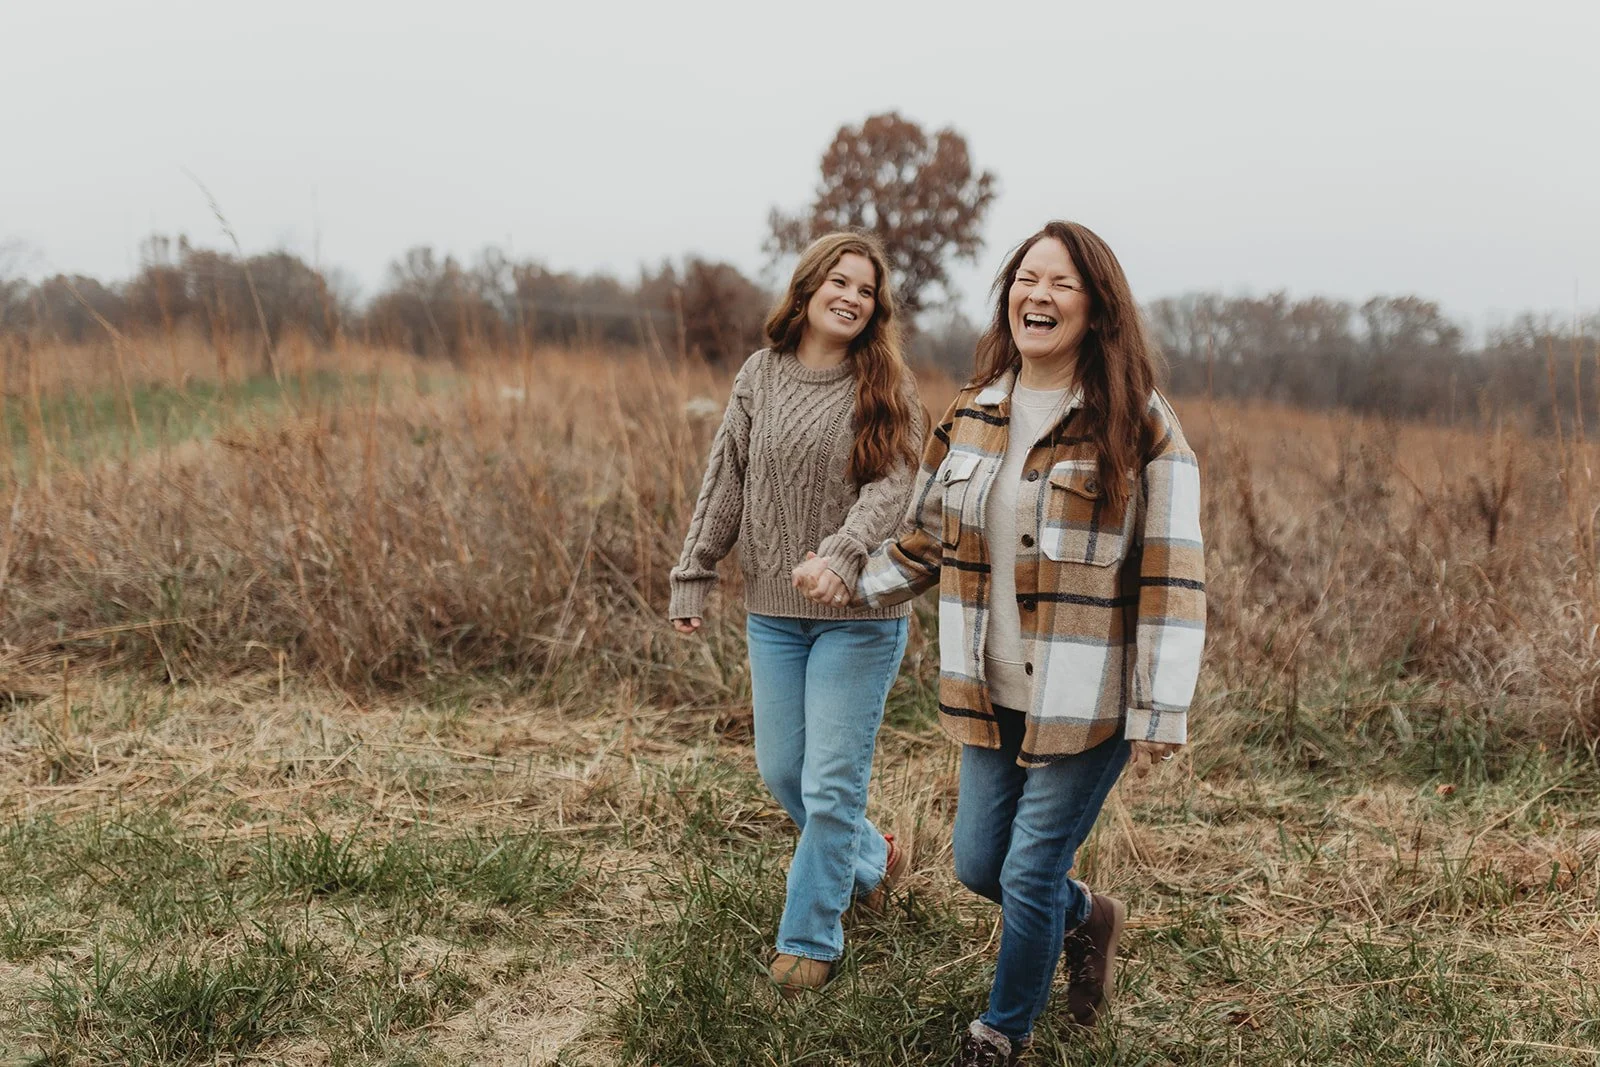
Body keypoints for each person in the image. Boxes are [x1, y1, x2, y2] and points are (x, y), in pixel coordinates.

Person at [795, 221, 1205, 1064]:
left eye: (1060, 283)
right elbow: (925, 540)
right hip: (989, 692)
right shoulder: (974, 412)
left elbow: (1173, 572)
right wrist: (850, 580)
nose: (1038, 295)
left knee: (1026, 873)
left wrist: (1160, 705)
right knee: (982, 865)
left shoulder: (1140, 424)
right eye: (1026, 279)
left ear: (1096, 308)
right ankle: (1086, 916)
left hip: (1085, 701)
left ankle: (1001, 1030)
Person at [668, 231, 926, 997]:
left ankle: (810, 936)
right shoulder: (761, 374)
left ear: (877, 307)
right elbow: (727, 481)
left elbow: (896, 485)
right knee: (785, 769)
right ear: (808, 288)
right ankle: (874, 860)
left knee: (831, 783)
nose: (852, 297)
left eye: (866, 289)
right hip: (774, 613)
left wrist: (844, 553)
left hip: (860, 617)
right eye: (839, 282)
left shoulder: (885, 382)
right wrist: (695, 570)